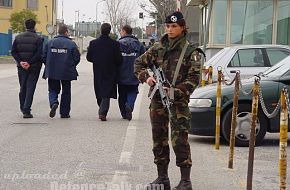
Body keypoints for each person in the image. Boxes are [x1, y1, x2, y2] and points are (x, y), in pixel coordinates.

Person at [134, 11, 202, 190]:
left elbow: (194, 79)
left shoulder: (191, 51)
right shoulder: (158, 47)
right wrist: (146, 78)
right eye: (168, 26)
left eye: (174, 26)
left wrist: (175, 91)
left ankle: (185, 181)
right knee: (159, 139)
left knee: (180, 140)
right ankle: (162, 178)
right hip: (158, 102)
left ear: (182, 27)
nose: (170, 30)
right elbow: (138, 63)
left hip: (178, 104)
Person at [43, 24, 80, 118]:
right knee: (66, 91)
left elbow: (43, 56)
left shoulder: (50, 42)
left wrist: (49, 65)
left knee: (52, 89)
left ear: (58, 32)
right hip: (66, 71)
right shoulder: (71, 44)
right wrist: (71, 65)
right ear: (66, 32)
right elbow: (77, 58)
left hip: (52, 70)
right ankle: (64, 113)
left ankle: (53, 102)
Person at [86, 23, 122, 121]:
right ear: (109, 31)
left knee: (99, 90)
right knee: (107, 91)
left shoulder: (93, 43)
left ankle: (102, 110)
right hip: (111, 70)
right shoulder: (115, 44)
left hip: (98, 70)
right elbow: (119, 59)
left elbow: (89, 57)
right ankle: (103, 110)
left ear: (100, 30)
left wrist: (97, 60)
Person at [11, 19, 44, 118]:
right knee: (30, 88)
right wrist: (29, 63)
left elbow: (13, 52)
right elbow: (39, 54)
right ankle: (26, 110)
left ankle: (22, 107)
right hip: (34, 67)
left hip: (21, 67)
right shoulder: (38, 39)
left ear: (25, 26)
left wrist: (21, 62)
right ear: (34, 26)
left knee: (23, 87)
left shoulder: (18, 38)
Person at [118, 25, 145, 120]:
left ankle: (124, 113)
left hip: (121, 73)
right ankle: (129, 105)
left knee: (122, 94)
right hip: (134, 73)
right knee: (133, 91)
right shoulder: (138, 44)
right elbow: (144, 59)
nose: (120, 33)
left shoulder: (118, 43)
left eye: (121, 31)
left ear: (124, 31)